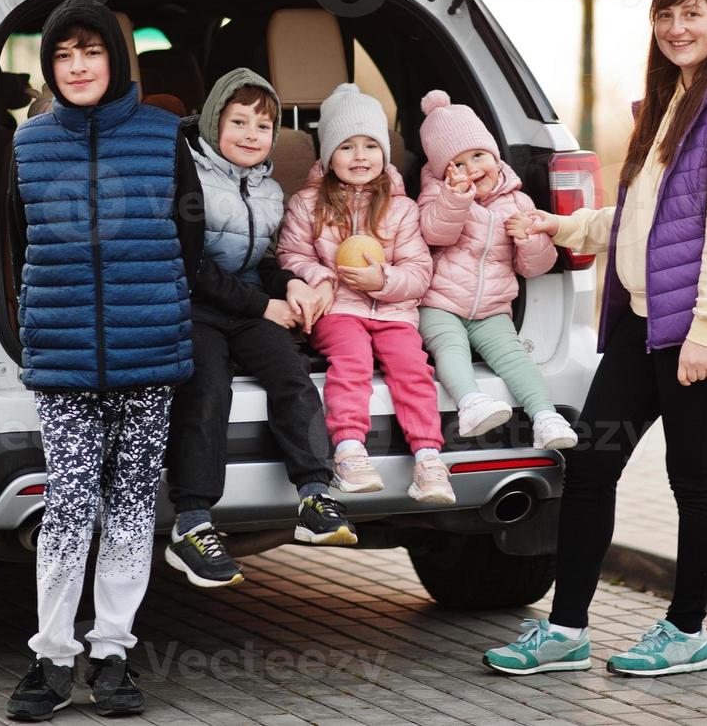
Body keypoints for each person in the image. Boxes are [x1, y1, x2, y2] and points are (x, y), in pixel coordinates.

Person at [483, 0, 707, 677]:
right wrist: (560, 229)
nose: (677, 29)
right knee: (591, 465)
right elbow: (649, 220)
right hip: (645, 321)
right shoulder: (677, 100)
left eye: (692, 15)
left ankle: (685, 633)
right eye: (665, 15)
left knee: (694, 480)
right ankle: (564, 631)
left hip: (702, 331)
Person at [6, 0, 194, 719]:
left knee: (131, 505)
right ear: (49, 67)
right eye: (62, 54)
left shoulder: (160, 135)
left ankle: (112, 653)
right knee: (69, 503)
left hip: (148, 356)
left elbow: (191, 237)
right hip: (62, 357)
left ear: (116, 61)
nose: (77, 66)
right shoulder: (28, 144)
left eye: (91, 52)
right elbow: (22, 244)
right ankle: (51, 659)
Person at [163, 67, 356, 590]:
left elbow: (263, 257)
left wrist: (290, 282)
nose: (251, 135)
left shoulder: (270, 189)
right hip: (197, 307)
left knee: (291, 376)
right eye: (239, 122)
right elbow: (191, 266)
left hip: (250, 308)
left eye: (263, 126)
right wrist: (261, 304)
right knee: (205, 389)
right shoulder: (189, 178)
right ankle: (193, 523)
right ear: (211, 123)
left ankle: (315, 494)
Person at [276, 84, 455, 504]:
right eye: (347, 147)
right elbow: (289, 255)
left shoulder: (402, 208)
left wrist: (383, 281)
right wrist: (326, 275)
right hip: (337, 309)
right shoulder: (307, 204)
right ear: (327, 156)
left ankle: (429, 459)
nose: (360, 157)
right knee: (351, 363)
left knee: (413, 369)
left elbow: (418, 271)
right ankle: (350, 451)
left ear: (385, 153)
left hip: (393, 312)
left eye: (371, 145)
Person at [413, 90, 576, 449]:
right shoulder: (436, 194)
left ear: (494, 155)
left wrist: (529, 240)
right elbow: (433, 232)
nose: (472, 169)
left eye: (478, 155)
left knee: (514, 356)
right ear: (443, 171)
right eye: (458, 163)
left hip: (492, 309)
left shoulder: (519, 201)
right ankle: (471, 404)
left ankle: (546, 417)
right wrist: (456, 198)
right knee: (449, 347)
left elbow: (537, 267)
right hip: (439, 303)